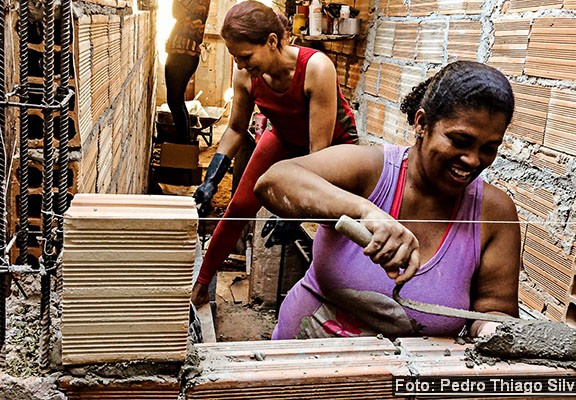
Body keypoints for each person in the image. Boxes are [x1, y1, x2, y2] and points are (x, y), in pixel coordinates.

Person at [253, 61, 520, 340]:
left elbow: (493, 309)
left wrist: (493, 329)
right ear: (422, 123)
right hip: (302, 362)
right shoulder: (372, 171)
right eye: (459, 141)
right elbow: (273, 181)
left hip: (406, 379)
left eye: (489, 148)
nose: (473, 160)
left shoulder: (493, 213)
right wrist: (365, 212)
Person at [191, 0, 358, 305]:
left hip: (332, 149)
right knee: (240, 204)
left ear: (271, 41)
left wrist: (296, 212)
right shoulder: (245, 75)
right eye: (234, 57)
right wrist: (212, 177)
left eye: (245, 56)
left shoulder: (316, 68)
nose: (240, 65)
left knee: (329, 222)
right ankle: (200, 285)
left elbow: (317, 156)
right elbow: (236, 129)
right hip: (284, 136)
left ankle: (332, 297)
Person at [164, 0, 210, 143]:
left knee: (174, 101)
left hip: (183, 54)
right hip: (184, 54)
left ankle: (183, 143)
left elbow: (175, 11)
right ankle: (183, 142)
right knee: (177, 101)